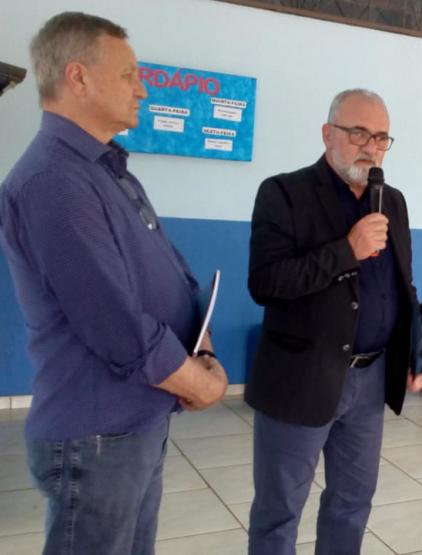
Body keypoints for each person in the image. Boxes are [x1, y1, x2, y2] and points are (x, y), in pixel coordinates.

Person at [0, 12, 228, 555]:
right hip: (97, 433)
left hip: (135, 421)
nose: (142, 89)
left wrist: (203, 350)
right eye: (129, 75)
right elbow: (115, 325)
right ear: (77, 77)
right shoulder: (53, 181)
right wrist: (201, 385)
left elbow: (175, 272)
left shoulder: (106, 170)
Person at [245, 88, 422, 554]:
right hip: (301, 377)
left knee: (352, 502)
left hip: (370, 380)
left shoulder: (393, 201)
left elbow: (401, 284)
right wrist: (347, 250)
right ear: (328, 134)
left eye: (381, 138)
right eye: (358, 133)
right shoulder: (283, 193)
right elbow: (265, 283)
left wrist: (412, 350)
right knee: (279, 511)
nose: (371, 147)